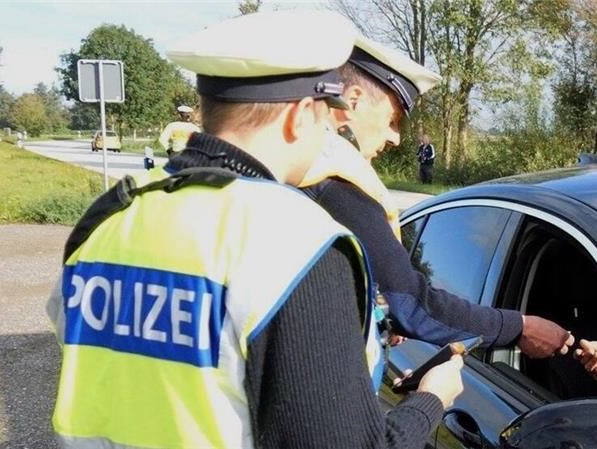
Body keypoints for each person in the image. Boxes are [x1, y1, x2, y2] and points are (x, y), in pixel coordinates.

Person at [46, 11, 463, 449]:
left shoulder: (109, 216)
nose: (329, 134)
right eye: (326, 119)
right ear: (299, 117)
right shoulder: (294, 243)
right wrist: (430, 400)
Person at [300, 35, 574, 358]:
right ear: (355, 101)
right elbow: (413, 304)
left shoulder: (305, 168)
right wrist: (519, 327)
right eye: (392, 120)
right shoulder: (336, 185)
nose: (396, 138)